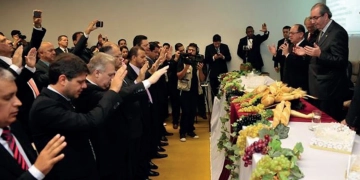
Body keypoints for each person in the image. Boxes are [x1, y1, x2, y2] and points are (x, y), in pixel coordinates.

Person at [29, 53, 127, 180]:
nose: (85, 86)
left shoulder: (63, 98)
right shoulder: (45, 105)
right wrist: (113, 91)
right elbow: (89, 121)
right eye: (80, 82)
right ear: (63, 79)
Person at [0, 67, 66, 180]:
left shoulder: (14, 125)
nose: (18, 102)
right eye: (7, 98)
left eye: (15, 95)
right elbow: (36, 170)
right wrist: (36, 172)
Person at [294, 3, 349, 121]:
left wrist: (320, 54)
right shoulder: (322, 31)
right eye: (311, 18)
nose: (312, 21)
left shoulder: (337, 32)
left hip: (330, 90)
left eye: (315, 18)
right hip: (319, 87)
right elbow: (317, 55)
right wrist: (306, 53)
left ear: (325, 16)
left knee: (329, 122)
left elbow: (341, 61)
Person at [204, 34, 231, 100]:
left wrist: (223, 57)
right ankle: (215, 109)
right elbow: (206, 60)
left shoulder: (225, 46)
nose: (217, 44)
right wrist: (213, 57)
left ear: (220, 41)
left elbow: (229, 58)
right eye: (215, 42)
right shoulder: (208, 47)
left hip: (223, 73)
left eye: (218, 42)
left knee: (224, 92)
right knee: (214, 93)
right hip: (213, 73)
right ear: (213, 42)